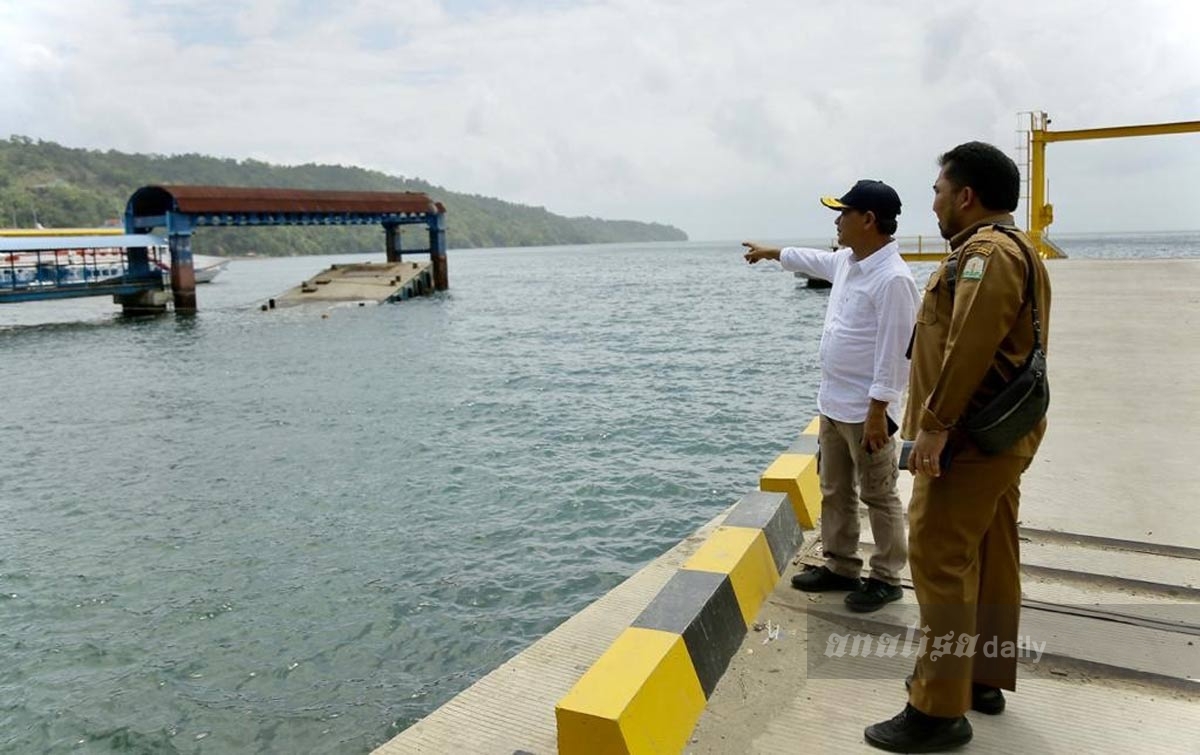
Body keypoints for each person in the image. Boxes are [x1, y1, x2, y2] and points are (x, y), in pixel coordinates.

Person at [864, 142, 1053, 752]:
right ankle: (980, 676)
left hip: (970, 440)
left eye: (940, 192)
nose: (936, 203)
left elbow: (969, 343)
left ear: (966, 196)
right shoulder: (1017, 249)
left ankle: (937, 709)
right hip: (999, 433)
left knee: (941, 557)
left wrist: (936, 427)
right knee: (992, 550)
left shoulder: (986, 254)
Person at [743, 180, 920, 613]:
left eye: (843, 213)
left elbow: (898, 354)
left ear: (868, 220)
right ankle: (841, 565)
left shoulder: (894, 279)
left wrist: (880, 411)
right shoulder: (849, 262)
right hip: (834, 403)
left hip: (867, 410)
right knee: (835, 489)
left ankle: (886, 576)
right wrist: (772, 253)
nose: (836, 221)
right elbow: (813, 259)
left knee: (878, 494)